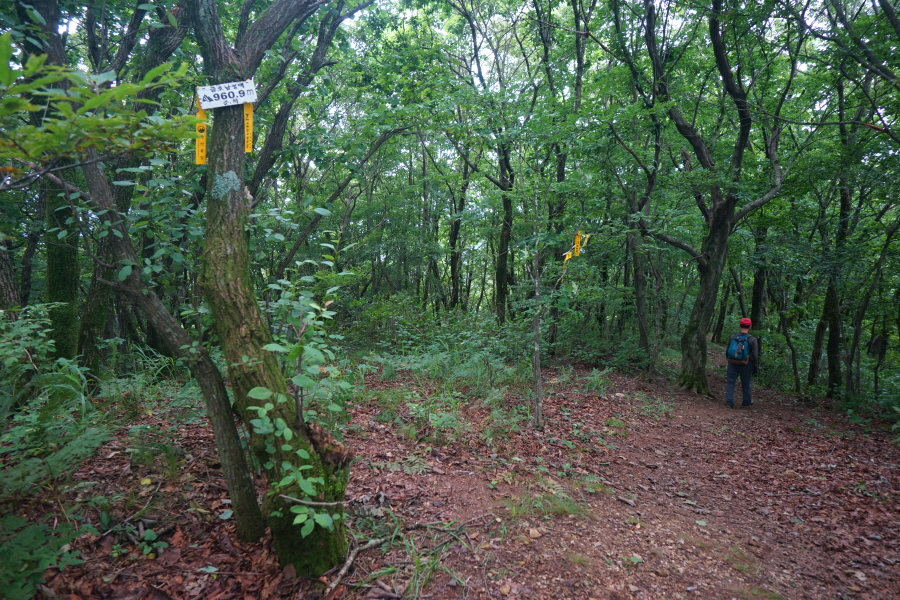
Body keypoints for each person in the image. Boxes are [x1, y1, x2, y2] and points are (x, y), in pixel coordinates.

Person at [725, 317, 759, 408]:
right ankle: (746, 402)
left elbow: (728, 350)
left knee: (731, 382)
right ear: (750, 326)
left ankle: (729, 401)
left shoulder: (733, 337)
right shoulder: (752, 340)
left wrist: (729, 359)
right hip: (745, 364)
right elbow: (755, 355)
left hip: (732, 362)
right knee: (746, 383)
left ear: (739, 325)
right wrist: (755, 366)